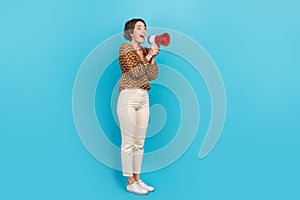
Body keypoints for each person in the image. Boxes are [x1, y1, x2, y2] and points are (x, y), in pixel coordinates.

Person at [117, 18, 160, 195]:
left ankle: (137, 179)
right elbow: (134, 73)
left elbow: (153, 75)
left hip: (144, 97)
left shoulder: (144, 50)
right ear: (130, 33)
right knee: (128, 142)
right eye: (139, 27)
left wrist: (152, 58)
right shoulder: (125, 49)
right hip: (128, 96)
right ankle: (129, 182)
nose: (143, 30)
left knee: (139, 142)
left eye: (145, 28)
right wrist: (149, 56)